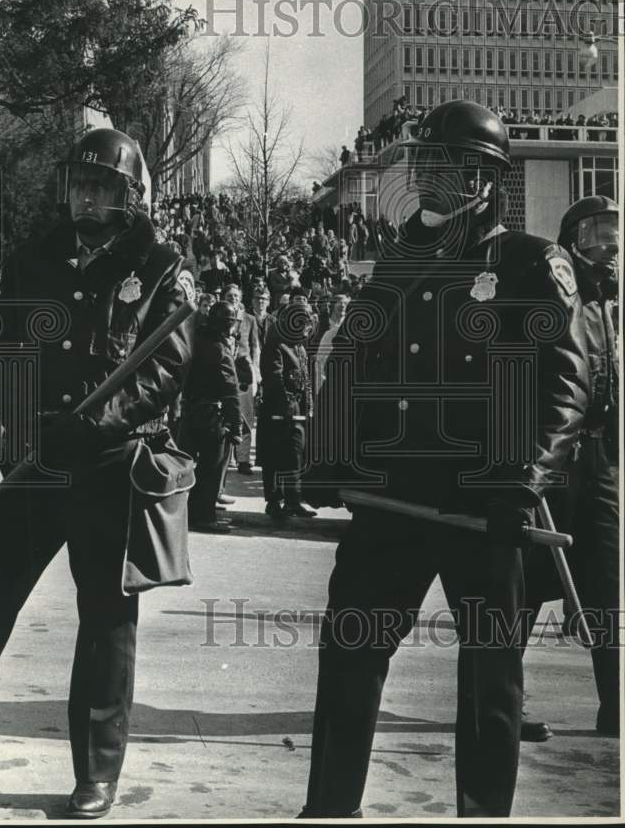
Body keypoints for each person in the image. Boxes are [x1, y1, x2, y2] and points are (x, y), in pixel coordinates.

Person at [299, 101, 589, 818]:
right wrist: (331, 453)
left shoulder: (526, 263)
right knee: (349, 658)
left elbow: (565, 382)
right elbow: (350, 368)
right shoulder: (393, 262)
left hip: (487, 503)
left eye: (458, 167)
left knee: (490, 677)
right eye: (429, 163)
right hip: (390, 500)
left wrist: (521, 480)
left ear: (487, 179)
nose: (437, 178)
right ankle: (329, 810)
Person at [0, 128, 194, 818]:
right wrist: (21, 432)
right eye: (79, 183)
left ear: (130, 195)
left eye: (103, 185)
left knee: (106, 623)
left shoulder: (162, 263)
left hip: (112, 463)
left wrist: (98, 425)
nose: (87, 195)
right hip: (40, 460)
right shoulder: (33, 257)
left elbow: (166, 367)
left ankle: (96, 777)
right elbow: (8, 350)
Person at [522, 195, 620, 739]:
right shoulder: (555, 297)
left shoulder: (610, 304)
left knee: (610, 583)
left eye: (614, 234)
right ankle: (500, 702)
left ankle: (617, 707)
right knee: (527, 588)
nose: (607, 247)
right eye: (594, 235)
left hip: (600, 460)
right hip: (554, 461)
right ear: (570, 243)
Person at [179, 301, 242, 533]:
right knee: (212, 468)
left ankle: (190, 514)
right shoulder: (220, 348)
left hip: (190, 411)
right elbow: (230, 390)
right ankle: (203, 516)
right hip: (212, 415)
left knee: (189, 466)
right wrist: (236, 426)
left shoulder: (195, 339)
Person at [258, 300, 318, 521]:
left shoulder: (299, 347)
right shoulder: (275, 345)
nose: (305, 328)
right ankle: (274, 502)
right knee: (275, 458)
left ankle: (293, 501)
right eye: (301, 323)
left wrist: (309, 407)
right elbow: (274, 379)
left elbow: (306, 380)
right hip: (278, 413)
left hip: (296, 413)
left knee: (295, 457)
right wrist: (289, 408)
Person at [224, 283, 259, 476]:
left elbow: (255, 347)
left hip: (244, 372)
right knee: (227, 416)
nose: (234, 299)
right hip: (224, 373)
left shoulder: (250, 319)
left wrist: (257, 373)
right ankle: (227, 457)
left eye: (236, 296)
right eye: (230, 296)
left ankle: (244, 459)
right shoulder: (219, 315)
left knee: (246, 418)